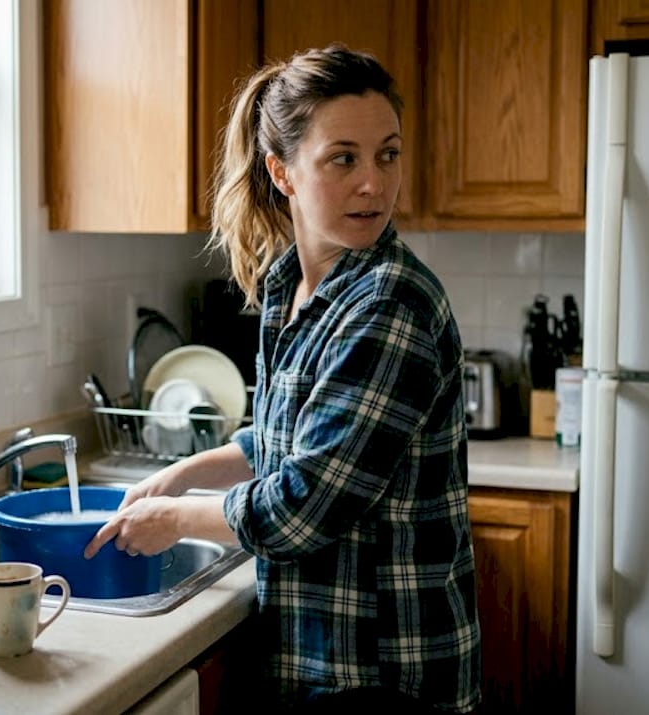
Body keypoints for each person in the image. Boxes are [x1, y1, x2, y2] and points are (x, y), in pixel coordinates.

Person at [85, 44, 480, 713]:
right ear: (283, 171)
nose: (374, 184)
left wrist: (176, 518)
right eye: (344, 158)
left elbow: (302, 505)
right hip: (318, 659)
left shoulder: (390, 304)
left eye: (388, 153)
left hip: (384, 675)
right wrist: (184, 473)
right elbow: (281, 439)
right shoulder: (287, 285)